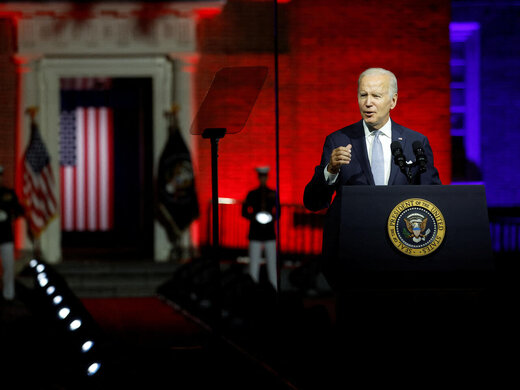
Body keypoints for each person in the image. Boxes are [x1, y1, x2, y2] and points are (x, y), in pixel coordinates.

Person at [304, 67, 441, 287]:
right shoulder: (338, 140)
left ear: (393, 101)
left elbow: (433, 201)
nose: (368, 102)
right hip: (352, 256)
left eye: (376, 96)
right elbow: (313, 202)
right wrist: (330, 169)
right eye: (363, 95)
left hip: (402, 256)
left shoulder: (416, 143)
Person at [242, 166, 278, 290]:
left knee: (272, 265)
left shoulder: (272, 193)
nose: (263, 179)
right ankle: (253, 291)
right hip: (255, 232)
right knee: (253, 265)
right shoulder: (252, 194)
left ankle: (274, 291)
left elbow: (278, 212)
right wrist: (254, 217)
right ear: (259, 178)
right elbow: (244, 211)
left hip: (269, 233)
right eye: (261, 177)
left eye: (264, 177)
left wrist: (271, 217)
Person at [0, 165, 24, 302]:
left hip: (5, 236)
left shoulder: (8, 193)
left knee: (8, 267)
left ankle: (8, 294)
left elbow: (19, 210)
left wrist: (9, 216)